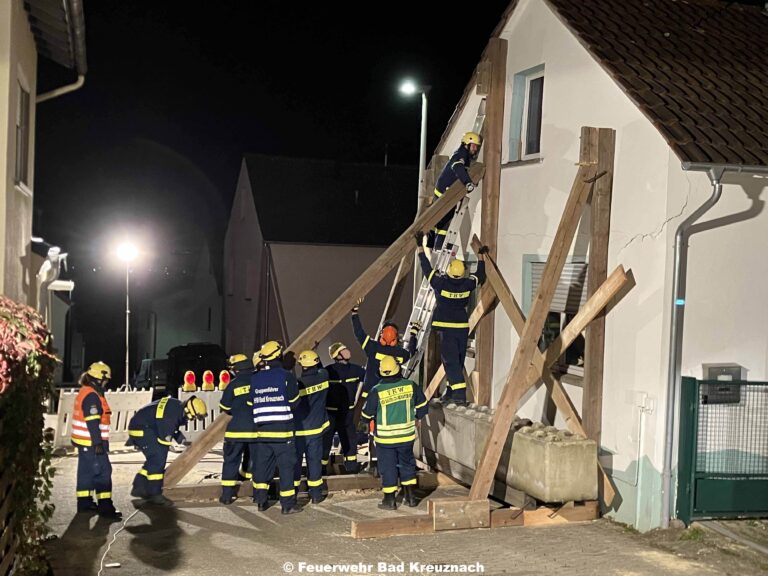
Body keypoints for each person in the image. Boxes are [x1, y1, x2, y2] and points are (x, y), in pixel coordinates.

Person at [416, 233, 487, 406]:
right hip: (462, 327)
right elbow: (480, 275)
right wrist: (480, 257)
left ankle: (459, 395)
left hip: (446, 329)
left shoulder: (441, 283)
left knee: (450, 361)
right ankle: (450, 391)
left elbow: (426, 268)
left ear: (449, 272)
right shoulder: (467, 284)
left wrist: (420, 247)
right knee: (459, 359)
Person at [361, 356, 428, 510]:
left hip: (385, 439)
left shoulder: (376, 390)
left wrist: (363, 423)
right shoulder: (410, 385)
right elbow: (423, 408)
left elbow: (366, 415)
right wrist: (415, 417)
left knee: (388, 467)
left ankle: (389, 500)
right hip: (406, 436)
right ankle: (411, 498)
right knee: (407, 464)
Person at [250, 340, 302, 514]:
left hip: (262, 432)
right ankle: (287, 505)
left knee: (263, 466)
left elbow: (252, 402)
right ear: (278, 355)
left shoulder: (255, 378)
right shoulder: (286, 376)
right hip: (282, 431)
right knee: (286, 467)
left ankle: (260, 500)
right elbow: (295, 402)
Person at [128, 395, 207, 506]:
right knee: (158, 459)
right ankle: (154, 494)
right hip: (142, 429)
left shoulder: (176, 407)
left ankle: (139, 487)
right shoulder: (171, 414)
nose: (192, 419)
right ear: (189, 411)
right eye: (193, 417)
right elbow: (165, 435)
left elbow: (173, 428)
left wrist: (183, 441)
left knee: (153, 460)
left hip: (144, 426)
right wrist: (168, 445)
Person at [70, 361, 122, 520]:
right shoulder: (92, 396)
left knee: (86, 473)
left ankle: (84, 504)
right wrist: (98, 443)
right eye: (105, 381)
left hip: (85, 443)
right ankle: (105, 508)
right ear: (99, 379)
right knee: (103, 473)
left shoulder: (86, 392)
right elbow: (92, 422)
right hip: (92, 443)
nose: (106, 383)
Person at [350, 296, 417, 403]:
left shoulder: (372, 348)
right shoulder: (400, 354)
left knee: (371, 415)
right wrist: (413, 334)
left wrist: (354, 313)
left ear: (382, 335)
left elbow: (359, 333)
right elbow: (411, 352)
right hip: (390, 395)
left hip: (371, 392)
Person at [428, 131, 482, 250]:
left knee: (441, 223)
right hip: (445, 195)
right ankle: (436, 249)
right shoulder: (461, 154)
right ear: (466, 144)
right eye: (473, 146)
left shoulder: (465, 156)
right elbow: (457, 167)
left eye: (477, 147)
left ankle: (433, 246)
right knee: (443, 223)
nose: (475, 149)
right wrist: (468, 183)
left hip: (446, 194)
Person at [218, 353, 257, 505]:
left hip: (235, 431)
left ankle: (227, 496)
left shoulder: (233, 384)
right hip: (256, 430)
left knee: (231, 461)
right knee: (257, 461)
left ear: (238, 369)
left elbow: (225, 407)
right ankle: (257, 495)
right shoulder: (259, 381)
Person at [293, 350, 330, 504]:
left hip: (300, 430)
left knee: (295, 463)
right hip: (316, 429)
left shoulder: (298, 383)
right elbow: (321, 368)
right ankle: (315, 495)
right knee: (314, 462)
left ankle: (292, 494)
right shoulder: (323, 376)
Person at [322, 342, 365, 473]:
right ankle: (321, 467)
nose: (348, 351)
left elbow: (368, 377)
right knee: (326, 442)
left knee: (350, 441)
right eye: (344, 349)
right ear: (338, 355)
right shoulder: (328, 371)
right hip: (331, 414)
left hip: (346, 413)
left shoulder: (356, 369)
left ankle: (351, 467)